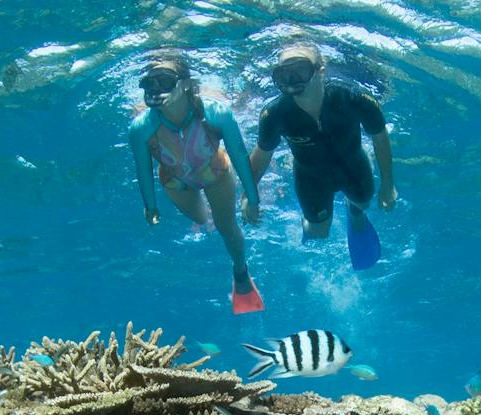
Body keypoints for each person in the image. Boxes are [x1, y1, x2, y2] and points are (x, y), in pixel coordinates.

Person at [127, 51, 265, 313]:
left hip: (215, 173)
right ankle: (208, 219)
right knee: (203, 220)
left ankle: (241, 274)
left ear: (186, 84)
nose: (155, 89)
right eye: (149, 83)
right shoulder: (140, 128)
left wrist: (253, 197)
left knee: (227, 227)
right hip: (175, 182)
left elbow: (238, 155)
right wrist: (150, 205)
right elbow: (142, 169)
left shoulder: (217, 114)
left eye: (164, 80)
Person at [249, 40, 396, 272]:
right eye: (285, 73)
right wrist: (249, 196)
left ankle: (354, 211)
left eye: (301, 69)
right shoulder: (275, 114)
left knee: (363, 202)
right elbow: (262, 155)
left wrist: (388, 185)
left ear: (320, 70)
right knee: (319, 233)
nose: (293, 79)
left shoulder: (354, 98)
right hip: (311, 177)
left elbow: (380, 138)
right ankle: (310, 222)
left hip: (353, 166)